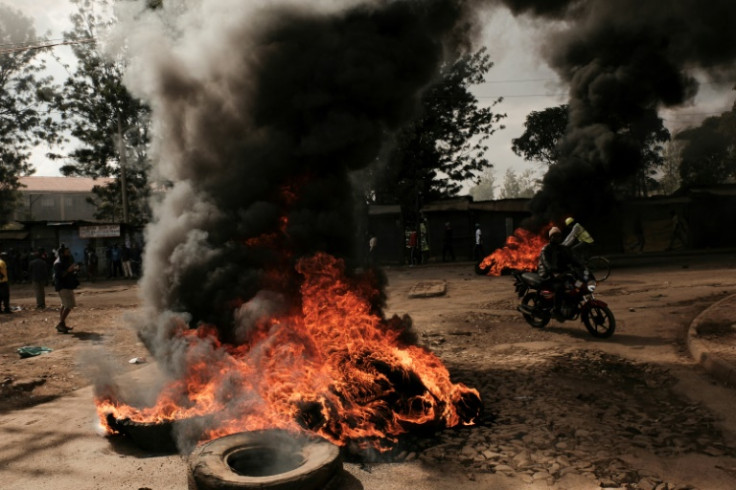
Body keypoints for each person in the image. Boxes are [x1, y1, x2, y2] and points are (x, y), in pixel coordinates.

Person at [538, 227, 584, 318]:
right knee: (560, 287)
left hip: (561, 273)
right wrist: (553, 272)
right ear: (550, 237)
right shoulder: (546, 249)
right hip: (547, 274)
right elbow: (546, 263)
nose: (557, 238)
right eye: (554, 236)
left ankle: (571, 304)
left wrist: (581, 265)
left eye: (558, 236)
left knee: (577, 284)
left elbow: (571, 258)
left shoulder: (563, 248)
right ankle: (556, 310)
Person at [53, 245, 79, 334]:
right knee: (69, 305)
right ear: (62, 253)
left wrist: (74, 270)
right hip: (63, 286)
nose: (69, 253)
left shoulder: (65, 260)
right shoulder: (58, 263)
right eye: (67, 252)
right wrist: (69, 270)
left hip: (67, 285)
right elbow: (60, 276)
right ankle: (60, 323)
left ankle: (62, 324)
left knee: (64, 305)